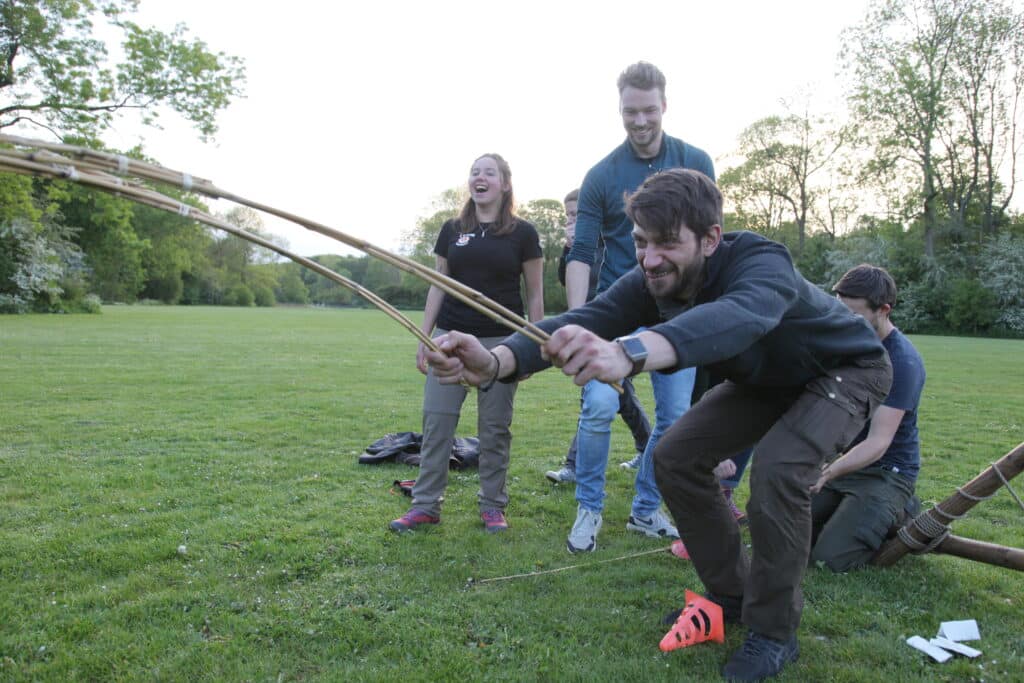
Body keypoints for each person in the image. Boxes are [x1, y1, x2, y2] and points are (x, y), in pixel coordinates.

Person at [424, 169, 892, 681]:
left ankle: (774, 633)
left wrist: (629, 353)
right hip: (770, 383)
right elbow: (589, 318)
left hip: (844, 372)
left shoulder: (761, 262)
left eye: (667, 244)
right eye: (642, 242)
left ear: (711, 238)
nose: (650, 259)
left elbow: (740, 317)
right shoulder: (654, 279)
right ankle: (732, 596)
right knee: (673, 457)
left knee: (780, 472)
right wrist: (494, 362)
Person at [560, 61, 715, 552]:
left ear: (664, 105)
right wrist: (579, 324)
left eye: (649, 110)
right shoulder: (601, 176)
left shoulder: (696, 160)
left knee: (673, 422)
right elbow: (582, 253)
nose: (641, 121)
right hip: (617, 313)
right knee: (600, 408)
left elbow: (711, 244)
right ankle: (589, 509)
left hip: (678, 318)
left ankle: (646, 509)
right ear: (620, 109)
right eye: (631, 111)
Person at [389, 153, 544, 534]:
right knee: (437, 422)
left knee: (494, 427)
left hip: (501, 344)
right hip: (450, 339)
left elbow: (536, 294)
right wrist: (425, 337)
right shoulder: (451, 228)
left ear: (505, 184)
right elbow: (438, 284)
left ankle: (493, 505)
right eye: (475, 172)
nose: (480, 177)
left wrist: (534, 349)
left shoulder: (523, 233)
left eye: (489, 172)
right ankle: (426, 505)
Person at [810, 264, 926, 571]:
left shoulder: (903, 362)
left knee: (829, 561)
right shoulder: (845, 342)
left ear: (883, 310)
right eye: (840, 310)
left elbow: (878, 442)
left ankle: (900, 510)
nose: (843, 321)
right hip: (845, 463)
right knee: (784, 532)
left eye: (854, 313)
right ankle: (852, 515)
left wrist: (827, 472)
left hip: (886, 471)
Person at [545, 188, 652, 484]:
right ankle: (646, 447)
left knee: (596, 392)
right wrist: (570, 250)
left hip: (618, 325)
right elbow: (565, 279)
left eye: (578, 214)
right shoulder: (579, 246)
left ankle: (575, 466)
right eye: (568, 215)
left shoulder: (614, 241)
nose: (572, 220)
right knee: (621, 393)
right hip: (590, 324)